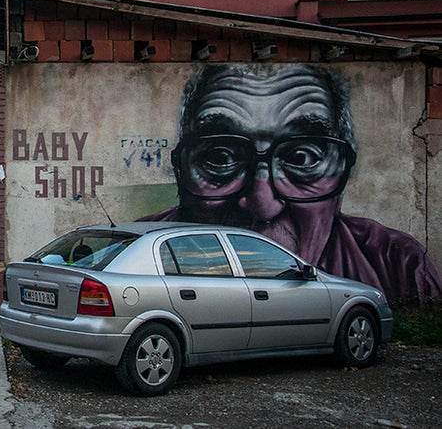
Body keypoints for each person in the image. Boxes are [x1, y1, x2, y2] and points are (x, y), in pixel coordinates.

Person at [140, 64, 442, 303]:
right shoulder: (138, 254)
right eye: (220, 157)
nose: (262, 202)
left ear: (343, 172)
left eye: (301, 157)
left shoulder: (398, 265)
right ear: (180, 170)